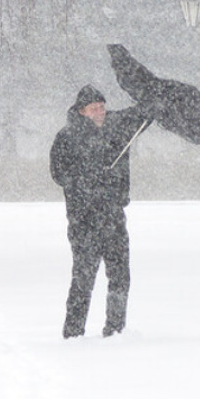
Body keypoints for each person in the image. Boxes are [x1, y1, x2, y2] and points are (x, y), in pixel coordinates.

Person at [49, 85, 152, 339]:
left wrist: (153, 107)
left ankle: (115, 329)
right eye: (94, 108)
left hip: (114, 217)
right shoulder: (67, 137)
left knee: (120, 275)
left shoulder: (116, 129)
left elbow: (138, 119)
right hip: (84, 220)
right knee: (83, 279)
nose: (100, 111)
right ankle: (73, 332)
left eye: (102, 106)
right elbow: (59, 174)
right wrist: (86, 181)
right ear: (82, 111)